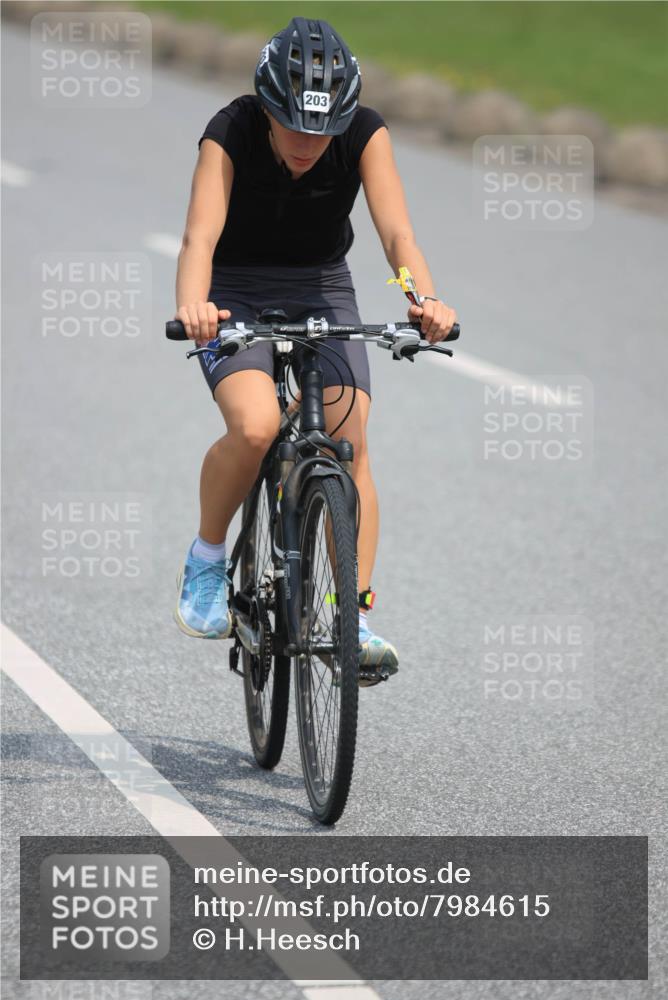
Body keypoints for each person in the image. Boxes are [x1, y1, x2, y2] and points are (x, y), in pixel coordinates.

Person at [173, 16, 458, 674]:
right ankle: (208, 562)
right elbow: (198, 239)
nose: (309, 141)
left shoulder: (364, 132)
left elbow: (398, 236)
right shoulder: (231, 132)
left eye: (323, 128)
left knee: (349, 437)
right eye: (295, 124)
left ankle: (351, 619)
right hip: (233, 288)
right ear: (269, 107)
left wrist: (423, 298)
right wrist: (195, 306)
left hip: (322, 285)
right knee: (255, 425)